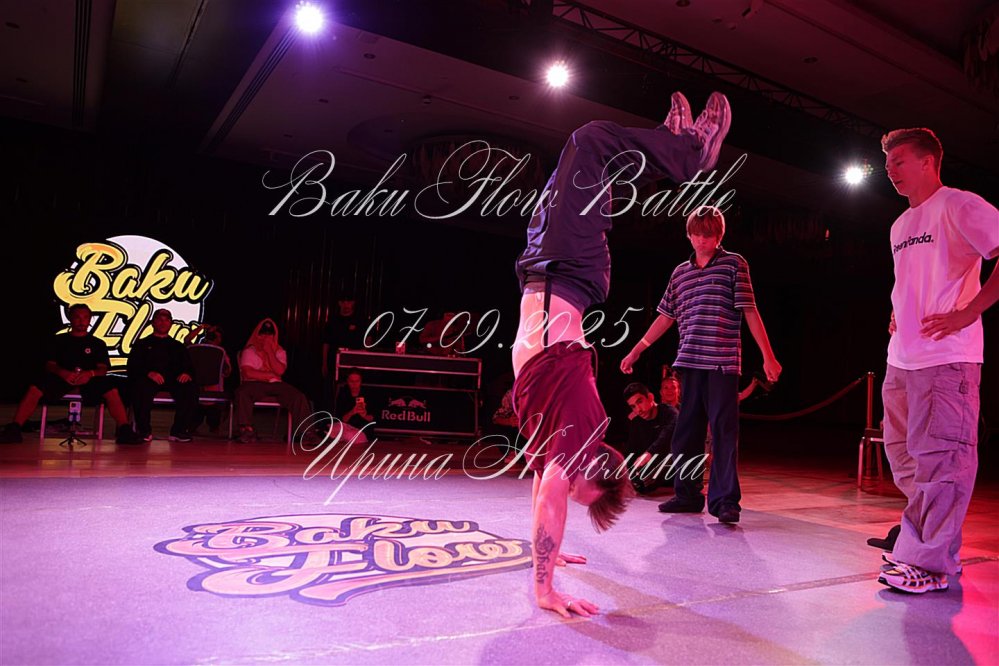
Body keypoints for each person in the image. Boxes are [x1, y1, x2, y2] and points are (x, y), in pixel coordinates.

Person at [512, 90, 731, 616]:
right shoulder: (580, 434)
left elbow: (544, 486)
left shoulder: (562, 443)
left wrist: (551, 556)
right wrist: (544, 590)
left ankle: (669, 142)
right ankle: (687, 154)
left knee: (593, 171)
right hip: (566, 270)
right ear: (596, 467)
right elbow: (552, 496)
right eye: (580, 489)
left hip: (553, 268)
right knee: (588, 141)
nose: (567, 488)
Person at [875, 128, 998, 594]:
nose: (890, 170)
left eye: (899, 160)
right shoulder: (900, 225)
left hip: (947, 359)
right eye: (887, 163)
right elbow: (913, 279)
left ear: (928, 161)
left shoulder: (958, 204)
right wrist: (898, 310)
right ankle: (935, 546)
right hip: (902, 359)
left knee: (943, 461)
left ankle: (926, 564)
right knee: (904, 458)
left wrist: (970, 311)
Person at [621, 205, 781, 524]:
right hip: (689, 361)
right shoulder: (680, 273)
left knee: (723, 431)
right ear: (688, 235)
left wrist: (768, 355)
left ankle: (725, 501)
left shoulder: (734, 264)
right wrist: (637, 349)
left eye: (707, 235)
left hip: (722, 363)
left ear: (719, 235)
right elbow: (665, 317)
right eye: (695, 234)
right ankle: (687, 495)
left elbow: (750, 310)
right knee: (686, 432)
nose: (701, 240)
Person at [0, 304, 142, 444]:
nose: (81, 321)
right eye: (77, 317)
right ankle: (15, 428)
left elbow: (103, 368)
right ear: (70, 318)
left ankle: (124, 430)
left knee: (111, 389)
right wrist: (63, 373)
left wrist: (89, 374)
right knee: (34, 387)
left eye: (85, 317)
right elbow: (50, 364)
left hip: (89, 379)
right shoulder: (58, 340)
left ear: (90, 319)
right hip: (61, 378)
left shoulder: (97, 343)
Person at [235, 318, 311, 443]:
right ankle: (246, 430)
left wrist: (269, 351)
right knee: (242, 392)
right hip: (254, 383)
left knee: (298, 396)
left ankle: (305, 432)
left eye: (270, 334)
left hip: (276, 385)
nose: (266, 337)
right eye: (263, 334)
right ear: (257, 335)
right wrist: (269, 374)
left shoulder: (280, 351)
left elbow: (280, 371)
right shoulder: (249, 351)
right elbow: (248, 372)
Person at [128, 308, 199, 442]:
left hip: (173, 380)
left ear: (171, 324)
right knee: (140, 387)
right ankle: (144, 431)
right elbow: (133, 366)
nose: (163, 323)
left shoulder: (178, 346)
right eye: (160, 319)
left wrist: (186, 373)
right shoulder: (142, 344)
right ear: (153, 323)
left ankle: (179, 431)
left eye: (166, 320)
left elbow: (189, 366)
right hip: (149, 379)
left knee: (189, 388)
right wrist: (149, 373)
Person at [621, 382, 679, 495]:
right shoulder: (636, 422)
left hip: (673, 466)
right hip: (653, 467)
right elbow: (631, 451)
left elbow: (666, 437)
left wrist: (649, 453)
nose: (638, 409)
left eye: (640, 402)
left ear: (650, 397)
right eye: (633, 406)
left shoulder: (669, 413)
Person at [335, 368, 374, 433]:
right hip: (347, 430)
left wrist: (364, 415)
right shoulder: (343, 394)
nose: (354, 384)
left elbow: (372, 418)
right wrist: (352, 412)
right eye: (351, 381)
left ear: (361, 381)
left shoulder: (367, 394)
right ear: (347, 381)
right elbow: (341, 419)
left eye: (357, 381)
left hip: (364, 430)